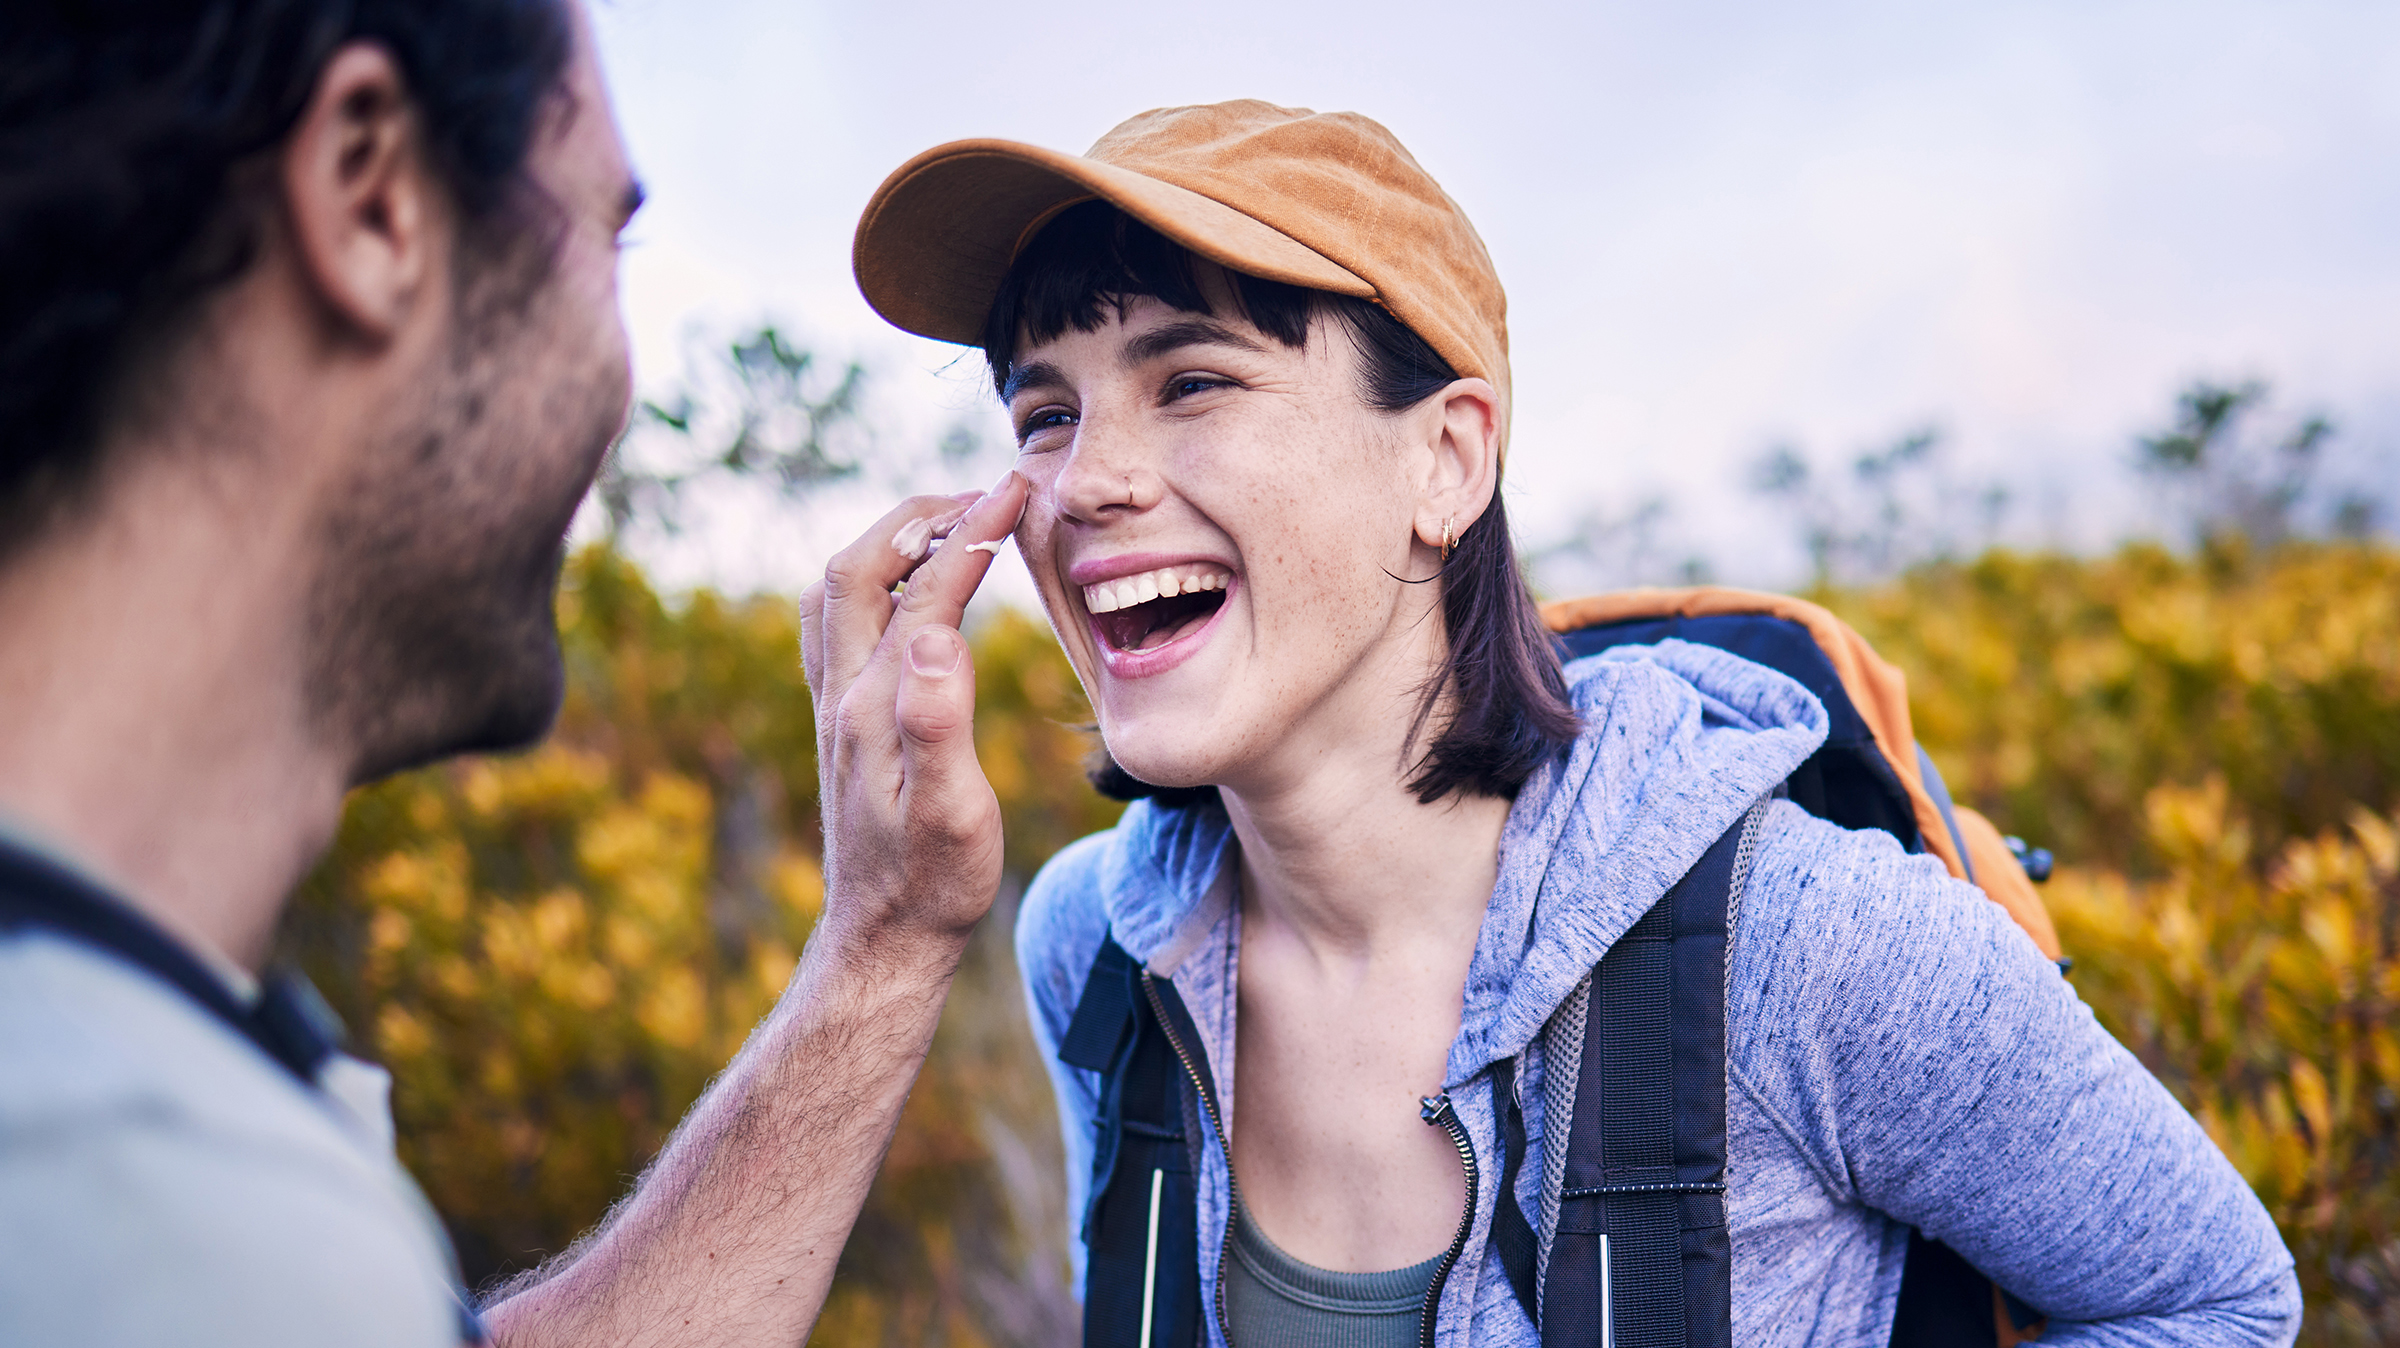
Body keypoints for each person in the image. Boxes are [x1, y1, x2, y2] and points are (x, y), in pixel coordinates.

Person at [848, 100, 2305, 1345]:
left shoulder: (1808, 948)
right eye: (1046, 413)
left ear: (1446, 460)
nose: (1087, 481)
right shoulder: (1096, 941)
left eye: (1194, 382)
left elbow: (2222, 1301)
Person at [0, 3, 1028, 1345]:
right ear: (371, 199)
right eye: (609, 239)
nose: (623, 374)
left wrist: (883, 939)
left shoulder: (128, 1096)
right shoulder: (140, 1188)